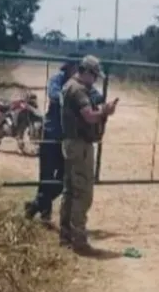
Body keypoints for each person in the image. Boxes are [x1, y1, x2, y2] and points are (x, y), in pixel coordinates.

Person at [25, 55, 104, 222]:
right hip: (51, 132)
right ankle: (44, 211)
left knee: (62, 179)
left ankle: (37, 205)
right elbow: (55, 96)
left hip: (67, 136)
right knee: (45, 175)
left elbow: (98, 96)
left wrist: (80, 98)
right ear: (69, 67)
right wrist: (76, 99)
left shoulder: (82, 87)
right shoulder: (58, 80)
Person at [60, 55, 118, 251]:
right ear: (86, 72)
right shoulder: (78, 90)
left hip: (71, 143)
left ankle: (66, 235)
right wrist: (105, 112)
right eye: (94, 76)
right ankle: (79, 240)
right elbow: (89, 117)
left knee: (70, 190)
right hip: (79, 145)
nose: (94, 81)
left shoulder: (69, 85)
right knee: (82, 193)